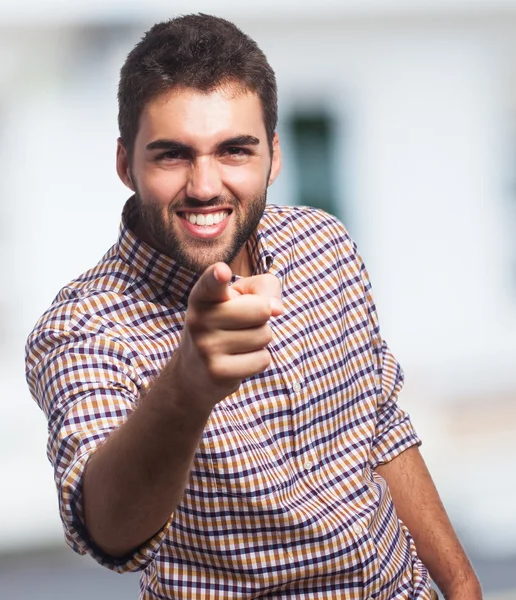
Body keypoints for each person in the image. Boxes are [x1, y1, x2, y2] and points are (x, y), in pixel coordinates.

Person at [25, 13, 481, 600]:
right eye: (172, 155)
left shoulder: (323, 245)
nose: (206, 185)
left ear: (274, 156)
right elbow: (109, 534)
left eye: (235, 150)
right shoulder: (82, 327)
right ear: (125, 165)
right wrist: (187, 382)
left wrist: (463, 586)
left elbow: (382, 426)